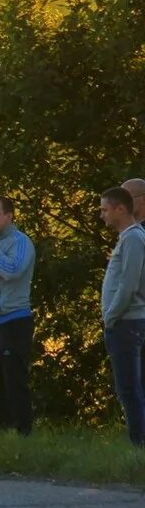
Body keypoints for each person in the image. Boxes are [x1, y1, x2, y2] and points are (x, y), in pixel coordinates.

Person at [0, 195, 36, 436]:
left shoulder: (19, 242)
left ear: (9, 216)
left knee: (14, 381)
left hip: (14, 320)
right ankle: (4, 432)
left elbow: (12, 270)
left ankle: (24, 432)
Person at [99, 186, 145, 448]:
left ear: (121, 209)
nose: (102, 215)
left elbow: (129, 284)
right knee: (129, 386)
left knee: (129, 387)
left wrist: (111, 315)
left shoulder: (133, 238)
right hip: (125, 321)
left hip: (127, 322)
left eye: (105, 209)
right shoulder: (128, 238)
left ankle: (138, 443)